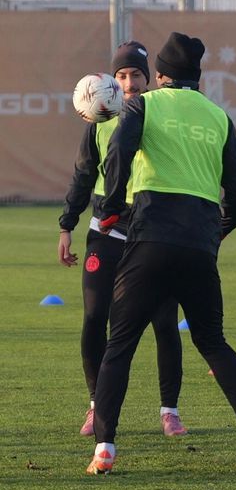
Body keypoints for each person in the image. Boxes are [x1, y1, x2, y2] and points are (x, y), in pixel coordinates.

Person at [85, 31, 236, 475]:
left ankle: (105, 450)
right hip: (199, 249)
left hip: (149, 240)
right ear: (198, 79)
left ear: (161, 75)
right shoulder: (218, 117)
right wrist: (219, 231)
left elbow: (118, 153)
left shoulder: (143, 105)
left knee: (120, 344)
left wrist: (111, 208)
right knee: (213, 342)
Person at [58, 41, 188, 438]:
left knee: (164, 322)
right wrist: (67, 224)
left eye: (136, 75)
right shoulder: (98, 121)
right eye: (122, 75)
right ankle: (96, 405)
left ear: (148, 79)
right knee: (96, 317)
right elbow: (83, 174)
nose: (129, 82)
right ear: (111, 81)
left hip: (152, 233)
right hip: (106, 231)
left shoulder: (159, 114)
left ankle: (169, 411)